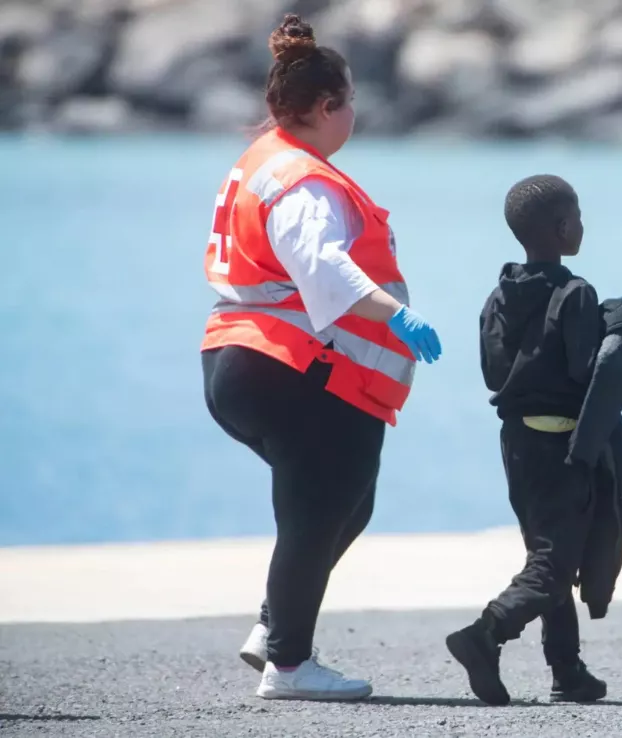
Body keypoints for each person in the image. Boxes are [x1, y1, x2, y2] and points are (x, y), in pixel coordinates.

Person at [200, 13, 441, 701]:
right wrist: (400, 315)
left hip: (235, 361)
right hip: (287, 364)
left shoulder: (264, 159)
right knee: (317, 507)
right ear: (327, 107)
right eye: (352, 100)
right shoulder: (304, 182)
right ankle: (290, 665)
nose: (354, 114)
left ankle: (275, 629)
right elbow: (323, 272)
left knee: (344, 503)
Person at [445, 174, 622, 706]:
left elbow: (494, 374)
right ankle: (485, 634)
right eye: (577, 217)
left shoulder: (497, 295)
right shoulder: (576, 292)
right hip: (564, 448)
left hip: (517, 444)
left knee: (547, 550)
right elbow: (587, 372)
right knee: (556, 562)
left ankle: (567, 670)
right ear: (562, 228)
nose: (582, 225)